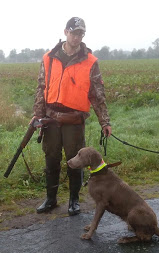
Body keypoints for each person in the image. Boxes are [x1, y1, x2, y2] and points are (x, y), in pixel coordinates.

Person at [31, 17, 112, 216]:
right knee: (51, 158)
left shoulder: (90, 61)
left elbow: (97, 94)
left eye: (80, 34)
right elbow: (42, 88)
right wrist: (37, 116)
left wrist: (105, 122)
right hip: (50, 119)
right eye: (74, 32)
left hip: (74, 121)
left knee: (75, 160)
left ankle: (74, 200)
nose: (77, 37)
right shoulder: (49, 57)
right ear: (66, 32)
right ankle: (51, 199)